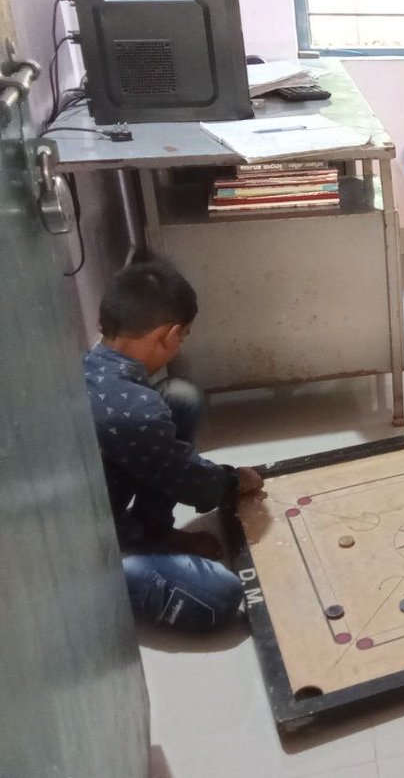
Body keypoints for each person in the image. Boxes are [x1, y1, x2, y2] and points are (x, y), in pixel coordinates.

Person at [83, 262, 263, 631]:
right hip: (89, 543)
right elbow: (186, 478)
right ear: (169, 335)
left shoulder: (91, 368)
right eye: (183, 338)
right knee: (221, 598)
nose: (179, 346)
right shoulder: (135, 408)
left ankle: (154, 531)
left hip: (104, 500)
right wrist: (234, 481)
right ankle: (122, 563)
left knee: (180, 396)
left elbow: (165, 459)